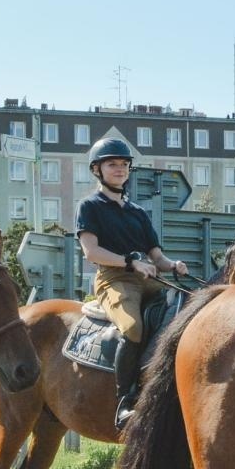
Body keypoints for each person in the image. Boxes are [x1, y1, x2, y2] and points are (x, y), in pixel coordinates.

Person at [75, 137, 190, 429]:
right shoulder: (89, 206)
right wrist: (130, 262)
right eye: (112, 164)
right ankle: (125, 402)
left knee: (184, 313)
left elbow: (157, 256)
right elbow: (92, 252)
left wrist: (172, 265)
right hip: (113, 279)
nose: (120, 169)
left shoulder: (138, 212)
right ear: (97, 170)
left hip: (148, 277)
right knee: (132, 327)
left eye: (124, 164)